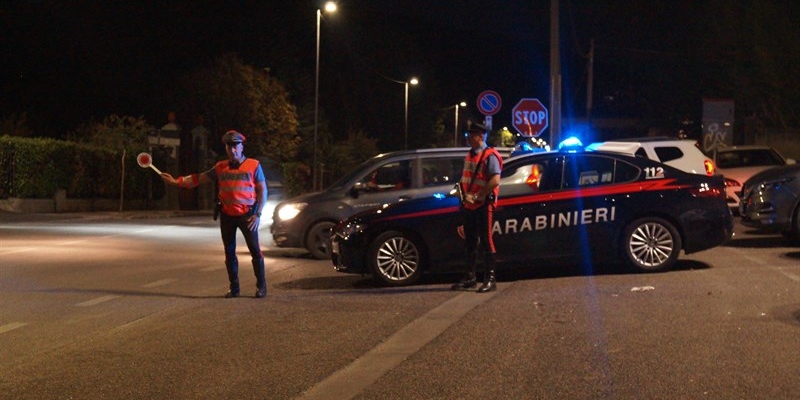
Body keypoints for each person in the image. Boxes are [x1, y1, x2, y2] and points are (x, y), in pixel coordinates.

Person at [160, 130, 269, 298]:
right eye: (229, 146)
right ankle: (234, 288)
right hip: (227, 216)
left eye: (236, 146)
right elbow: (198, 179)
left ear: (242, 147)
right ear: (226, 148)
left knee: (255, 250)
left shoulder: (254, 165)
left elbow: (263, 192)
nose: (232, 150)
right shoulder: (220, 167)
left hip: (247, 216)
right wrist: (176, 181)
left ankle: (261, 286)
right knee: (229, 252)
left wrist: (258, 214)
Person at [451, 120, 503, 293]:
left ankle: (490, 279)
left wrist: (479, 196)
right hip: (469, 205)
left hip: (483, 204)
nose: (467, 138)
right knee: (470, 241)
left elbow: (495, 180)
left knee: (487, 240)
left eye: (470, 135)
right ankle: (470, 277)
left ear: (480, 136)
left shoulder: (490, 155)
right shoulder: (470, 154)